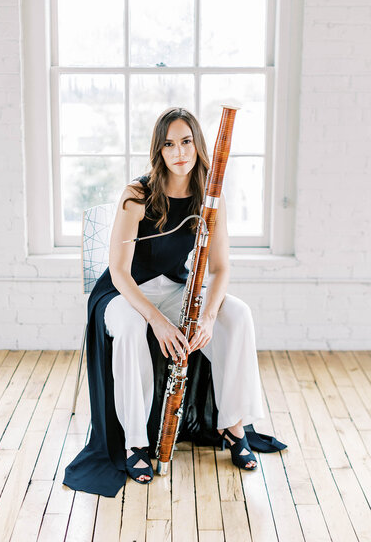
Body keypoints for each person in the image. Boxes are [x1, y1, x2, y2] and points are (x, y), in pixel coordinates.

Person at [63, 107, 286, 497]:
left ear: (198, 146)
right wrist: (157, 321)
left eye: (186, 142)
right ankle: (135, 442)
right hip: (123, 292)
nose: (179, 151)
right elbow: (118, 270)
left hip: (173, 286)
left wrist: (210, 316)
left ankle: (232, 427)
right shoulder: (137, 194)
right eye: (169, 144)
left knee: (238, 314)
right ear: (159, 150)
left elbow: (220, 268)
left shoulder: (209, 196)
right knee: (133, 328)